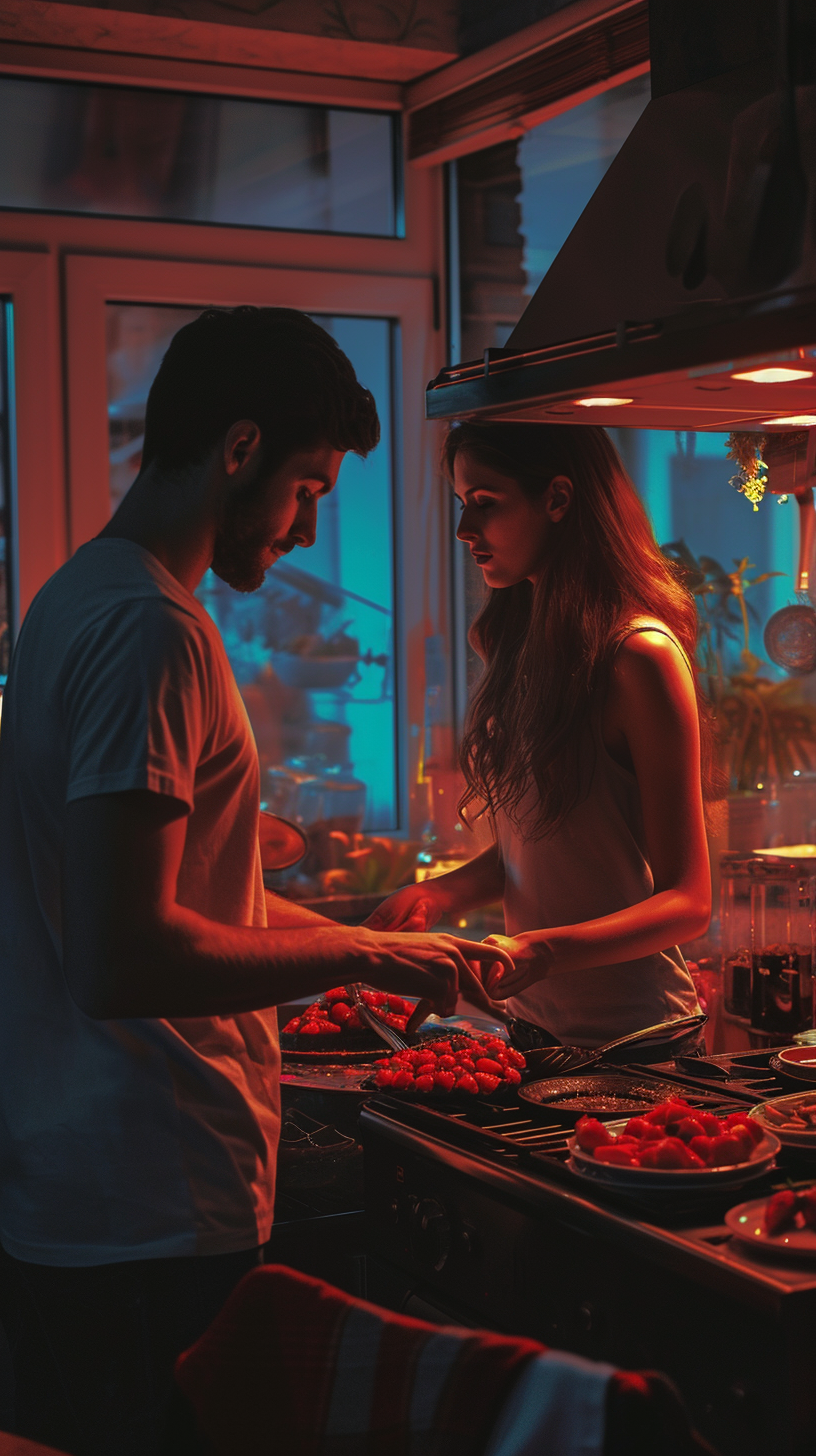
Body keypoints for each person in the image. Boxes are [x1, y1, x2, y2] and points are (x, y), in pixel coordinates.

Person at [0, 308, 511, 1456]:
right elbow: (125, 957)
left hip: (76, 1186)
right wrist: (366, 952)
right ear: (238, 451)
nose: (306, 525)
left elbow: (187, 899)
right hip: (150, 1198)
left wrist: (367, 931)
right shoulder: (151, 632)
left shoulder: (74, 596)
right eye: (307, 488)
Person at [368, 422, 714, 1049]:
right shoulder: (519, 648)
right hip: (532, 1029)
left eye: (484, 503)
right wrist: (438, 892)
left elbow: (689, 901)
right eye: (461, 505)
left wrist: (542, 951)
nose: (464, 532)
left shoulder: (639, 657)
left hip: (639, 1039)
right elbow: (532, 854)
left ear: (557, 499)